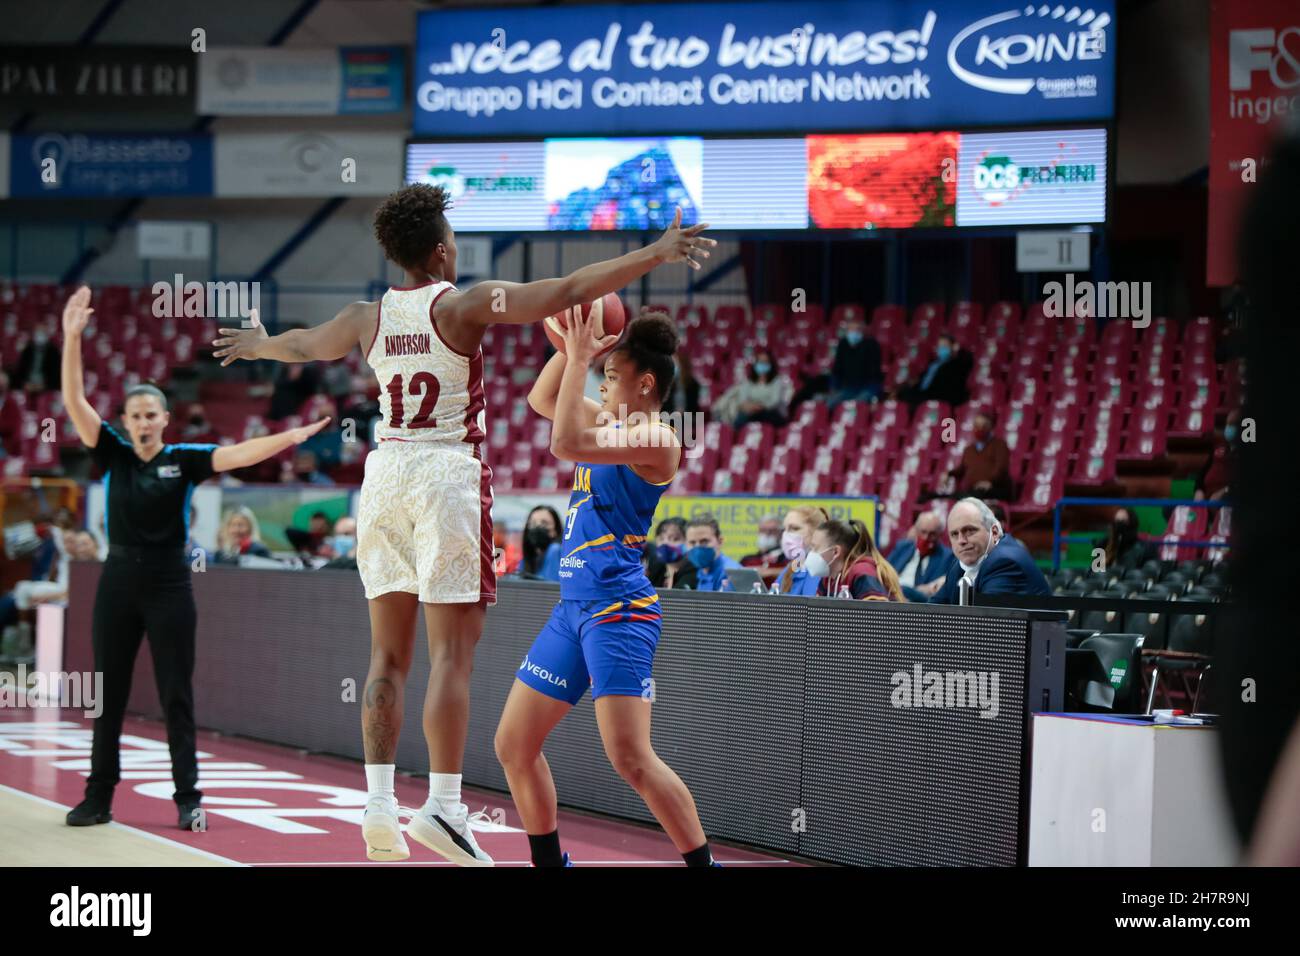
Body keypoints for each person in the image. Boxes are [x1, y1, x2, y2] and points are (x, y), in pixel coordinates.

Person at [213, 184, 713, 865]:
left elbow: (307, 343)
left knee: (386, 658)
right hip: (444, 473)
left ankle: (379, 802)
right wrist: (653, 252)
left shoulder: (367, 316)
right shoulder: (467, 304)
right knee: (451, 654)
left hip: (383, 474)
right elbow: (566, 286)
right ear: (443, 252)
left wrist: (261, 346)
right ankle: (445, 808)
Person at [59, 286, 329, 830]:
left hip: (168, 585)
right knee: (106, 697)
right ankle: (97, 798)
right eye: (133, 413)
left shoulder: (184, 460)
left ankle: (188, 800)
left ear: (163, 419)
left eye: (150, 413)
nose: (141, 420)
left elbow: (239, 454)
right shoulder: (112, 451)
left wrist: (291, 436)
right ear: (127, 420)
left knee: (175, 695)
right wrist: (71, 340)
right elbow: (75, 404)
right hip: (118, 579)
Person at [495, 307, 719, 868]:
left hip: (618, 609)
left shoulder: (657, 437)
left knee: (630, 759)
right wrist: (575, 345)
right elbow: (543, 402)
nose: (600, 383)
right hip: (573, 607)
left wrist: (577, 357)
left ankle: (705, 868)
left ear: (644, 384)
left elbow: (563, 439)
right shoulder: (614, 426)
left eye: (610, 377)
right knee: (513, 746)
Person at [930, 497, 1050, 604]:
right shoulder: (960, 565)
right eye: (954, 534)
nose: (961, 541)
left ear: (994, 532)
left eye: (970, 531)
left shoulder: (1004, 562)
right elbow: (933, 610)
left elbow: (985, 623)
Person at [808, 519, 903, 600]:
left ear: (836, 552)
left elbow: (876, 616)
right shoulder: (827, 579)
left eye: (815, 548)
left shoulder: (862, 572)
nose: (811, 553)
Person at [711, 351, 793, 429]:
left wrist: (758, 406)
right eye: (760, 362)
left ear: (771, 364)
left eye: (765, 362)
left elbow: (774, 401)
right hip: (750, 411)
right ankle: (735, 438)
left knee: (763, 417)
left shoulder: (776, 381)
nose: (762, 365)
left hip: (770, 412)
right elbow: (742, 400)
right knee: (741, 417)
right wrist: (750, 407)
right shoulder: (747, 382)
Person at [886, 512, 956, 601]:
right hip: (891, 598)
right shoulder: (903, 547)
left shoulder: (948, 557)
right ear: (916, 531)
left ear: (939, 535)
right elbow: (883, 572)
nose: (926, 537)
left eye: (932, 534)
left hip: (919, 604)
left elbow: (940, 591)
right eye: (923, 532)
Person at [893, 333, 972, 409]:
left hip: (938, 396)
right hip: (922, 393)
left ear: (953, 347)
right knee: (901, 392)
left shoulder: (956, 364)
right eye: (939, 346)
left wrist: (957, 351)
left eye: (944, 346)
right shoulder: (934, 363)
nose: (941, 349)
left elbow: (967, 361)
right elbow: (923, 378)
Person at [948, 409, 1012, 500]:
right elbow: (961, 469)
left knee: (968, 497)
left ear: (991, 427)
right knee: (952, 497)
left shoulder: (1000, 445)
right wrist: (948, 474)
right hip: (975, 490)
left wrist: (990, 482)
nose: (980, 429)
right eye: (977, 426)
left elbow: (1001, 468)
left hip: (994, 489)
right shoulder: (969, 449)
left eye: (984, 426)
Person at [826, 316, 883, 408]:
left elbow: (874, 373)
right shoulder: (843, 344)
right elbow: (837, 369)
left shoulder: (872, 345)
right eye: (850, 330)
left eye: (856, 330)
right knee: (830, 404)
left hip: (868, 387)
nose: (853, 333)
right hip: (848, 388)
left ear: (863, 331)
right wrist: (833, 388)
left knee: (857, 406)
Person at [772, 505, 829, 595]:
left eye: (794, 528)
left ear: (816, 531)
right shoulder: (791, 567)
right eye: (784, 529)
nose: (786, 535)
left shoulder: (822, 569)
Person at [682, 515, 741, 591]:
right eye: (692, 542)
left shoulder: (731, 574)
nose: (697, 547)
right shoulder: (702, 571)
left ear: (720, 541)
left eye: (704, 541)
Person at [1197, 407, 1240, 500]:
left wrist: (1225, 491)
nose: (1229, 428)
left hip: (1226, 501)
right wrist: (1199, 490)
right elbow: (1202, 475)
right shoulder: (1219, 447)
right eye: (1228, 424)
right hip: (1206, 500)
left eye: (1233, 425)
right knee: (1169, 509)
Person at [1102, 506, 1156, 573]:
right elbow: (1096, 573)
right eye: (1117, 521)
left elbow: (1147, 574)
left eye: (1123, 521)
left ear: (1132, 523)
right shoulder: (1103, 544)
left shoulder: (1145, 548)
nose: (1119, 525)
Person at [643, 516, 692, 589]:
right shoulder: (655, 568)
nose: (665, 543)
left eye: (675, 539)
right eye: (661, 539)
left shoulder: (694, 571)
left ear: (688, 542)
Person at [740, 513, 788, 582]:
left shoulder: (786, 558)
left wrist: (770, 572)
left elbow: (795, 572)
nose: (767, 534)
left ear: (781, 533)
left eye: (772, 531)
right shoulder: (747, 559)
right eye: (763, 530)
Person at [519, 505, 562, 581]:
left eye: (544, 523)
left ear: (555, 530)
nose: (537, 527)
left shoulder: (555, 550)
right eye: (533, 523)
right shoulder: (527, 558)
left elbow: (551, 588)